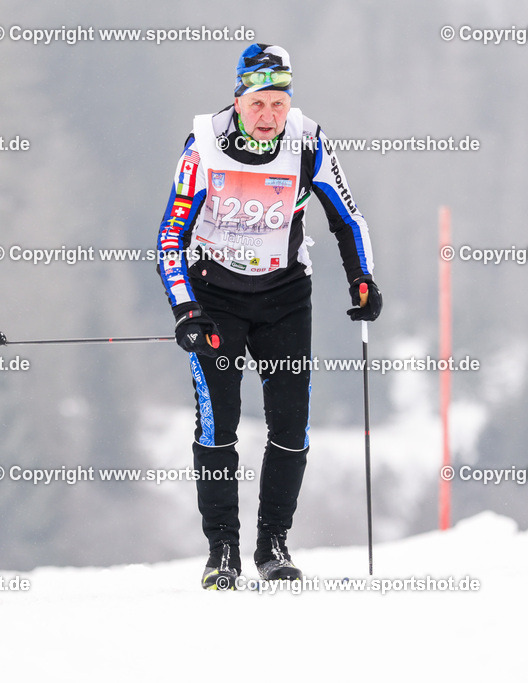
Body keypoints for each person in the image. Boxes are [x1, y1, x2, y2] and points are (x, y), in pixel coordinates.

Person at [156, 43, 382, 589]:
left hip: (284, 297)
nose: (268, 116)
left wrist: (362, 278)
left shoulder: (309, 143)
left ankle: (273, 545)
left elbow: (347, 219)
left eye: (278, 104)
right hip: (216, 299)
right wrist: (186, 308)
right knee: (219, 424)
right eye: (257, 103)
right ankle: (223, 551)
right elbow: (170, 237)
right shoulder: (203, 148)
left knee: (291, 425)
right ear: (238, 100)